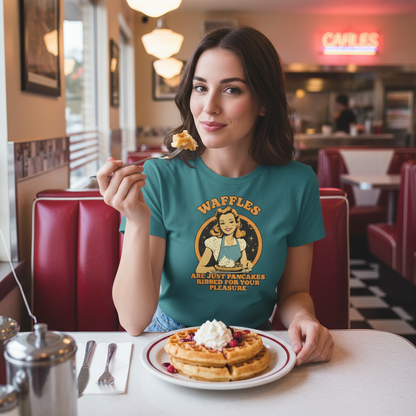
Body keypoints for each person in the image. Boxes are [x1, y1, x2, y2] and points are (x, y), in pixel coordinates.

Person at [97, 27, 334, 366]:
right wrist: (136, 221)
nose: (209, 107)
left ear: (264, 102)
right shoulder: (160, 178)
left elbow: (295, 292)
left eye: (232, 90)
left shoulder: (298, 183)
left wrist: (302, 318)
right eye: (200, 88)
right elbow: (133, 321)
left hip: (253, 340)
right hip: (168, 339)